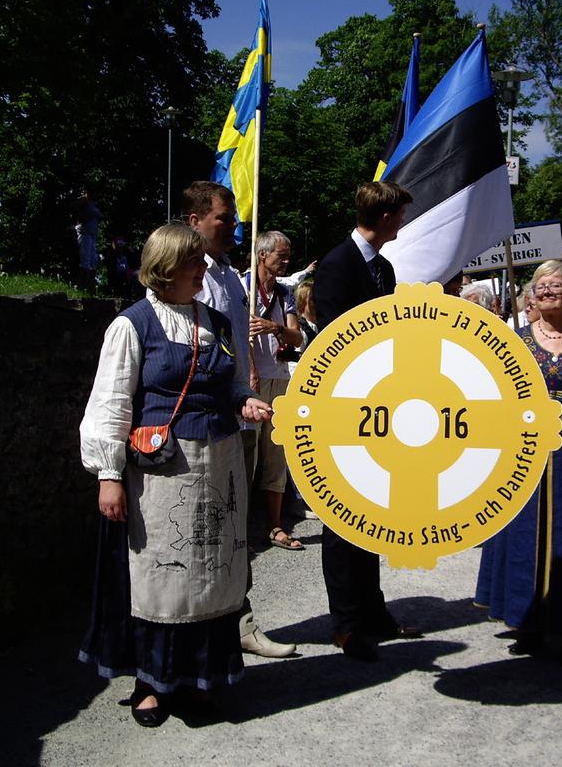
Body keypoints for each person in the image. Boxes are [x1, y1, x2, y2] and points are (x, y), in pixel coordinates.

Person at [78, 224, 273, 727]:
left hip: (221, 462)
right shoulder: (132, 325)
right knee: (164, 582)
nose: (203, 269)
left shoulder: (216, 323)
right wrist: (108, 475)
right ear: (166, 268)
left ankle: (201, 680)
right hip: (163, 475)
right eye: (193, 262)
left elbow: (225, 385)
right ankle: (151, 683)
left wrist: (244, 400)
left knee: (214, 578)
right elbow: (112, 403)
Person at [474, 261, 562, 665]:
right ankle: (527, 621)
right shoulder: (513, 341)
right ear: (531, 294)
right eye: (541, 285)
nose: (547, 291)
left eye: (557, 285)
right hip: (523, 447)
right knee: (523, 534)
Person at [181, 180, 296, 659]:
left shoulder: (229, 274)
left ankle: (239, 620)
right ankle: (200, 631)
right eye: (224, 218)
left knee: (233, 522)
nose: (233, 226)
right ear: (194, 222)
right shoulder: (188, 275)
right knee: (205, 526)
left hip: (236, 412)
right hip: (202, 420)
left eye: (233, 218)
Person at [313, 180, 423, 661]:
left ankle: (372, 610)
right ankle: (345, 625)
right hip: (345, 404)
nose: (403, 223)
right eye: (400, 215)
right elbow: (336, 339)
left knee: (373, 515)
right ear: (384, 218)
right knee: (342, 518)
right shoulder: (337, 265)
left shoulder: (384, 267)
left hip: (380, 403)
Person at [243, 231, 305, 551]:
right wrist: (251, 371)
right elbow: (239, 333)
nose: (286, 260)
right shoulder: (243, 286)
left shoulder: (285, 293)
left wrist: (275, 328)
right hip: (251, 383)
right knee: (247, 455)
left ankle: (275, 526)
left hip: (280, 380)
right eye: (281, 255)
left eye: (288, 255)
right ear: (262, 255)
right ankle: (240, 530)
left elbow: (297, 338)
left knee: (276, 455)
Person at [75, 188, 102, 288]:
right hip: (85, 233)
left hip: (92, 234)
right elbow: (76, 206)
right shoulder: (84, 202)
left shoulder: (93, 204)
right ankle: (83, 282)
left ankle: (90, 281)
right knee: (85, 258)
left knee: (93, 259)